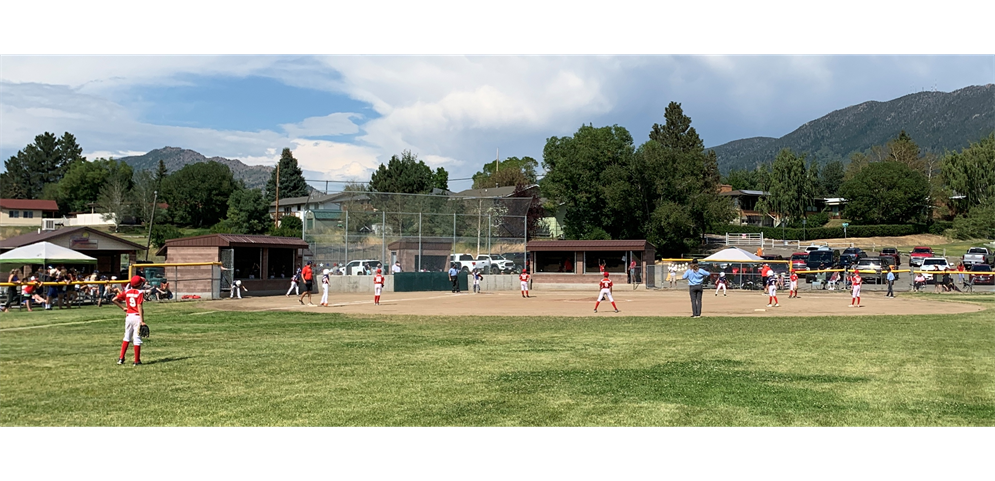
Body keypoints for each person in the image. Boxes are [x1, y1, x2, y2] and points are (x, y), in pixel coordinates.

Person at [113, 275, 147, 366]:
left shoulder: (127, 291)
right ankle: (136, 360)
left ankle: (121, 358)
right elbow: (139, 306)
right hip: (136, 316)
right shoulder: (140, 293)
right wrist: (142, 320)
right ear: (139, 284)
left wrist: (123, 308)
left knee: (127, 337)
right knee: (137, 338)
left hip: (128, 316)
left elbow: (114, 299)